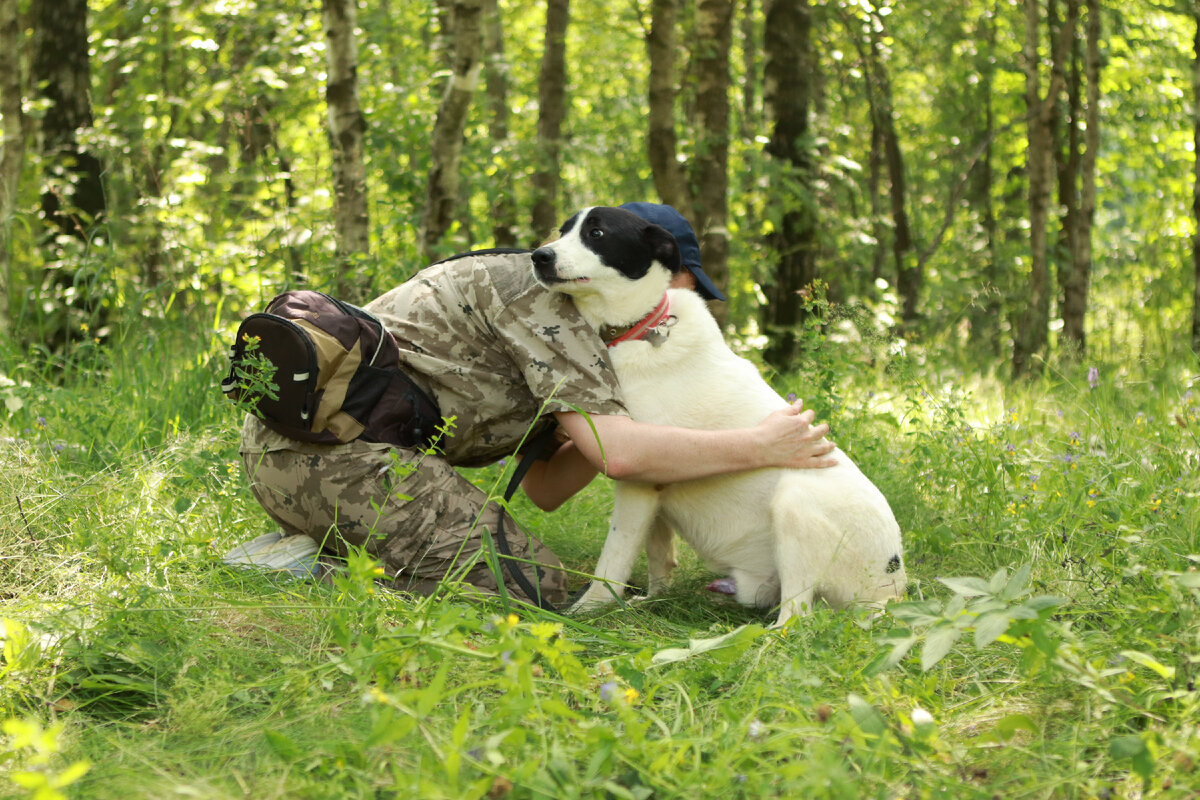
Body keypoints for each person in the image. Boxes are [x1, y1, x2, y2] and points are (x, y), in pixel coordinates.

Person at [234, 203, 835, 606]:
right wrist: (759, 444)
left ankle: (324, 541)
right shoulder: (550, 305)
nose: (682, 310)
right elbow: (622, 460)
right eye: (686, 287)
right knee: (531, 588)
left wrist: (635, 421)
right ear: (643, 266)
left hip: (296, 457)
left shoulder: (587, 333)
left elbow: (548, 488)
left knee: (505, 568)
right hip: (344, 461)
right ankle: (308, 570)